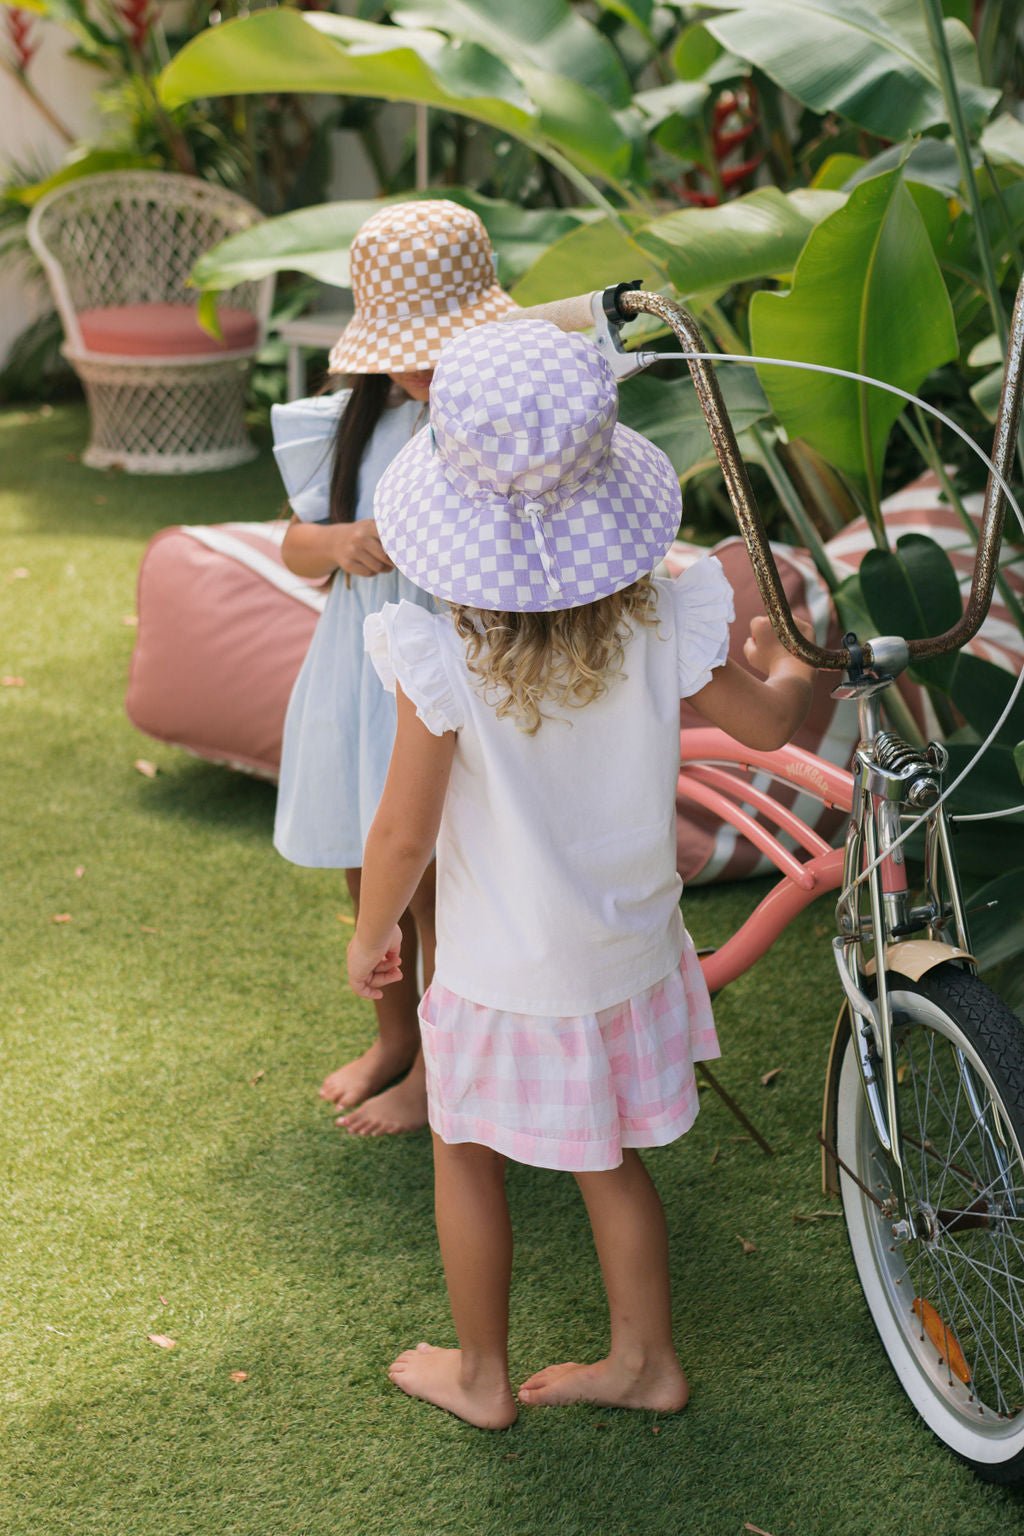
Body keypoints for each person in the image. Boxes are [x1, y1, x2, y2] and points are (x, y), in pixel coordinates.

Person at [347, 320, 815, 1428]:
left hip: (501, 967)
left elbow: (403, 834)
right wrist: (789, 664)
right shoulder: (664, 611)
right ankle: (644, 1360)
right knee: (610, 1164)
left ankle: (479, 1373)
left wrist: (372, 936)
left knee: (463, 1151)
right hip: (629, 953)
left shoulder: (443, 653)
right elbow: (766, 722)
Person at [271, 200, 516, 1137]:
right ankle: (394, 1035)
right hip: (355, 664)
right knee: (356, 857)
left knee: (432, 877)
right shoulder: (349, 424)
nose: (419, 367)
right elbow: (293, 543)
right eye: (406, 350)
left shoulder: (498, 422)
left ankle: (437, 1070)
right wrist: (338, 541)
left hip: (444, 667)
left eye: (438, 348)